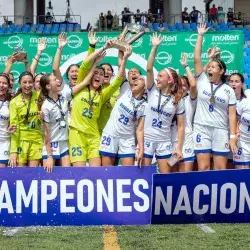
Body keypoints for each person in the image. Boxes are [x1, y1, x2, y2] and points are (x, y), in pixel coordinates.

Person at [69, 45, 131, 167]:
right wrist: (101, 49)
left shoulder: (103, 95)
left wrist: (124, 59)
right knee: (79, 171)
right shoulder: (81, 87)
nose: (98, 76)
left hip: (94, 136)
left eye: (101, 75)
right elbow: (85, 64)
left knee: (96, 172)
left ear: (104, 80)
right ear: (91, 75)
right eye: (95, 73)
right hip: (77, 134)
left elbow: (118, 79)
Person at [39, 55, 103, 172]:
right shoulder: (45, 107)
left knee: (67, 174)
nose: (58, 80)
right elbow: (46, 134)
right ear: (48, 86)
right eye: (54, 80)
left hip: (64, 142)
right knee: (48, 175)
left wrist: (95, 63)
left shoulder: (65, 95)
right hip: (51, 144)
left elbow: (84, 82)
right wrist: (49, 156)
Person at [193, 23, 237, 171]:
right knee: (203, 167)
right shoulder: (202, 81)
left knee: (220, 169)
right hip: (202, 128)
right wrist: (200, 36)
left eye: (213, 67)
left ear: (221, 71)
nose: (209, 68)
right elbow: (197, 58)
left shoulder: (228, 90)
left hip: (220, 130)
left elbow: (232, 116)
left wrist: (232, 136)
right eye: (209, 67)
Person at [143, 33, 184, 173]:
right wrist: (154, 47)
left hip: (164, 141)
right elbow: (148, 69)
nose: (157, 79)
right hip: (147, 139)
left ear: (170, 80)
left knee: (165, 177)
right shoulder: (152, 90)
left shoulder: (178, 99)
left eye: (160, 76)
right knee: (143, 175)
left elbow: (181, 126)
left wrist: (178, 147)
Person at [100, 75, 147, 167]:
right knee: (107, 171)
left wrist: (141, 149)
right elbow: (122, 71)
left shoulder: (145, 105)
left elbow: (140, 130)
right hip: (110, 134)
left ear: (145, 87)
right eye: (135, 79)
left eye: (141, 79)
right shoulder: (125, 90)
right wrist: (124, 59)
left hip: (127, 139)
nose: (136, 80)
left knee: (128, 171)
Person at [9, 72, 43, 168]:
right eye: (24, 82)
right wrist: (13, 151)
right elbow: (14, 128)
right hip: (21, 141)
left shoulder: (39, 96)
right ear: (19, 83)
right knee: (20, 173)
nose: (27, 85)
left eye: (30, 82)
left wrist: (43, 116)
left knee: (33, 173)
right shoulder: (14, 102)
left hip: (37, 140)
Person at [176, 53, 198, 172]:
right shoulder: (169, 100)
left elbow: (194, 84)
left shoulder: (190, 99)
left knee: (185, 175)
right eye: (179, 85)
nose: (181, 88)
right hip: (171, 139)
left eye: (184, 85)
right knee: (171, 176)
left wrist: (186, 66)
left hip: (187, 140)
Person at [228, 73, 247, 169]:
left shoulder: (246, 101)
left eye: (236, 81)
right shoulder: (223, 99)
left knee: (242, 168)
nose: (233, 84)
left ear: (242, 84)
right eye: (231, 81)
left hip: (240, 139)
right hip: (223, 136)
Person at [0, 73, 16, 167]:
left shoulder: (12, 101)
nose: (1, 85)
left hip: (4, 142)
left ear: (9, 86)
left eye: (4, 83)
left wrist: (10, 129)